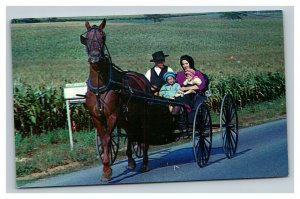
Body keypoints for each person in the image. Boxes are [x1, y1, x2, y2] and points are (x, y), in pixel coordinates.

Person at [175, 55, 207, 123]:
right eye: (183, 64)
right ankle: (182, 120)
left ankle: (193, 121)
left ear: (190, 63)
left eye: (186, 63)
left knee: (196, 105)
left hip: (196, 94)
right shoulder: (180, 74)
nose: (184, 65)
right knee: (179, 101)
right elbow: (178, 85)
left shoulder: (197, 73)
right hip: (185, 94)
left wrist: (187, 88)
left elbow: (201, 85)